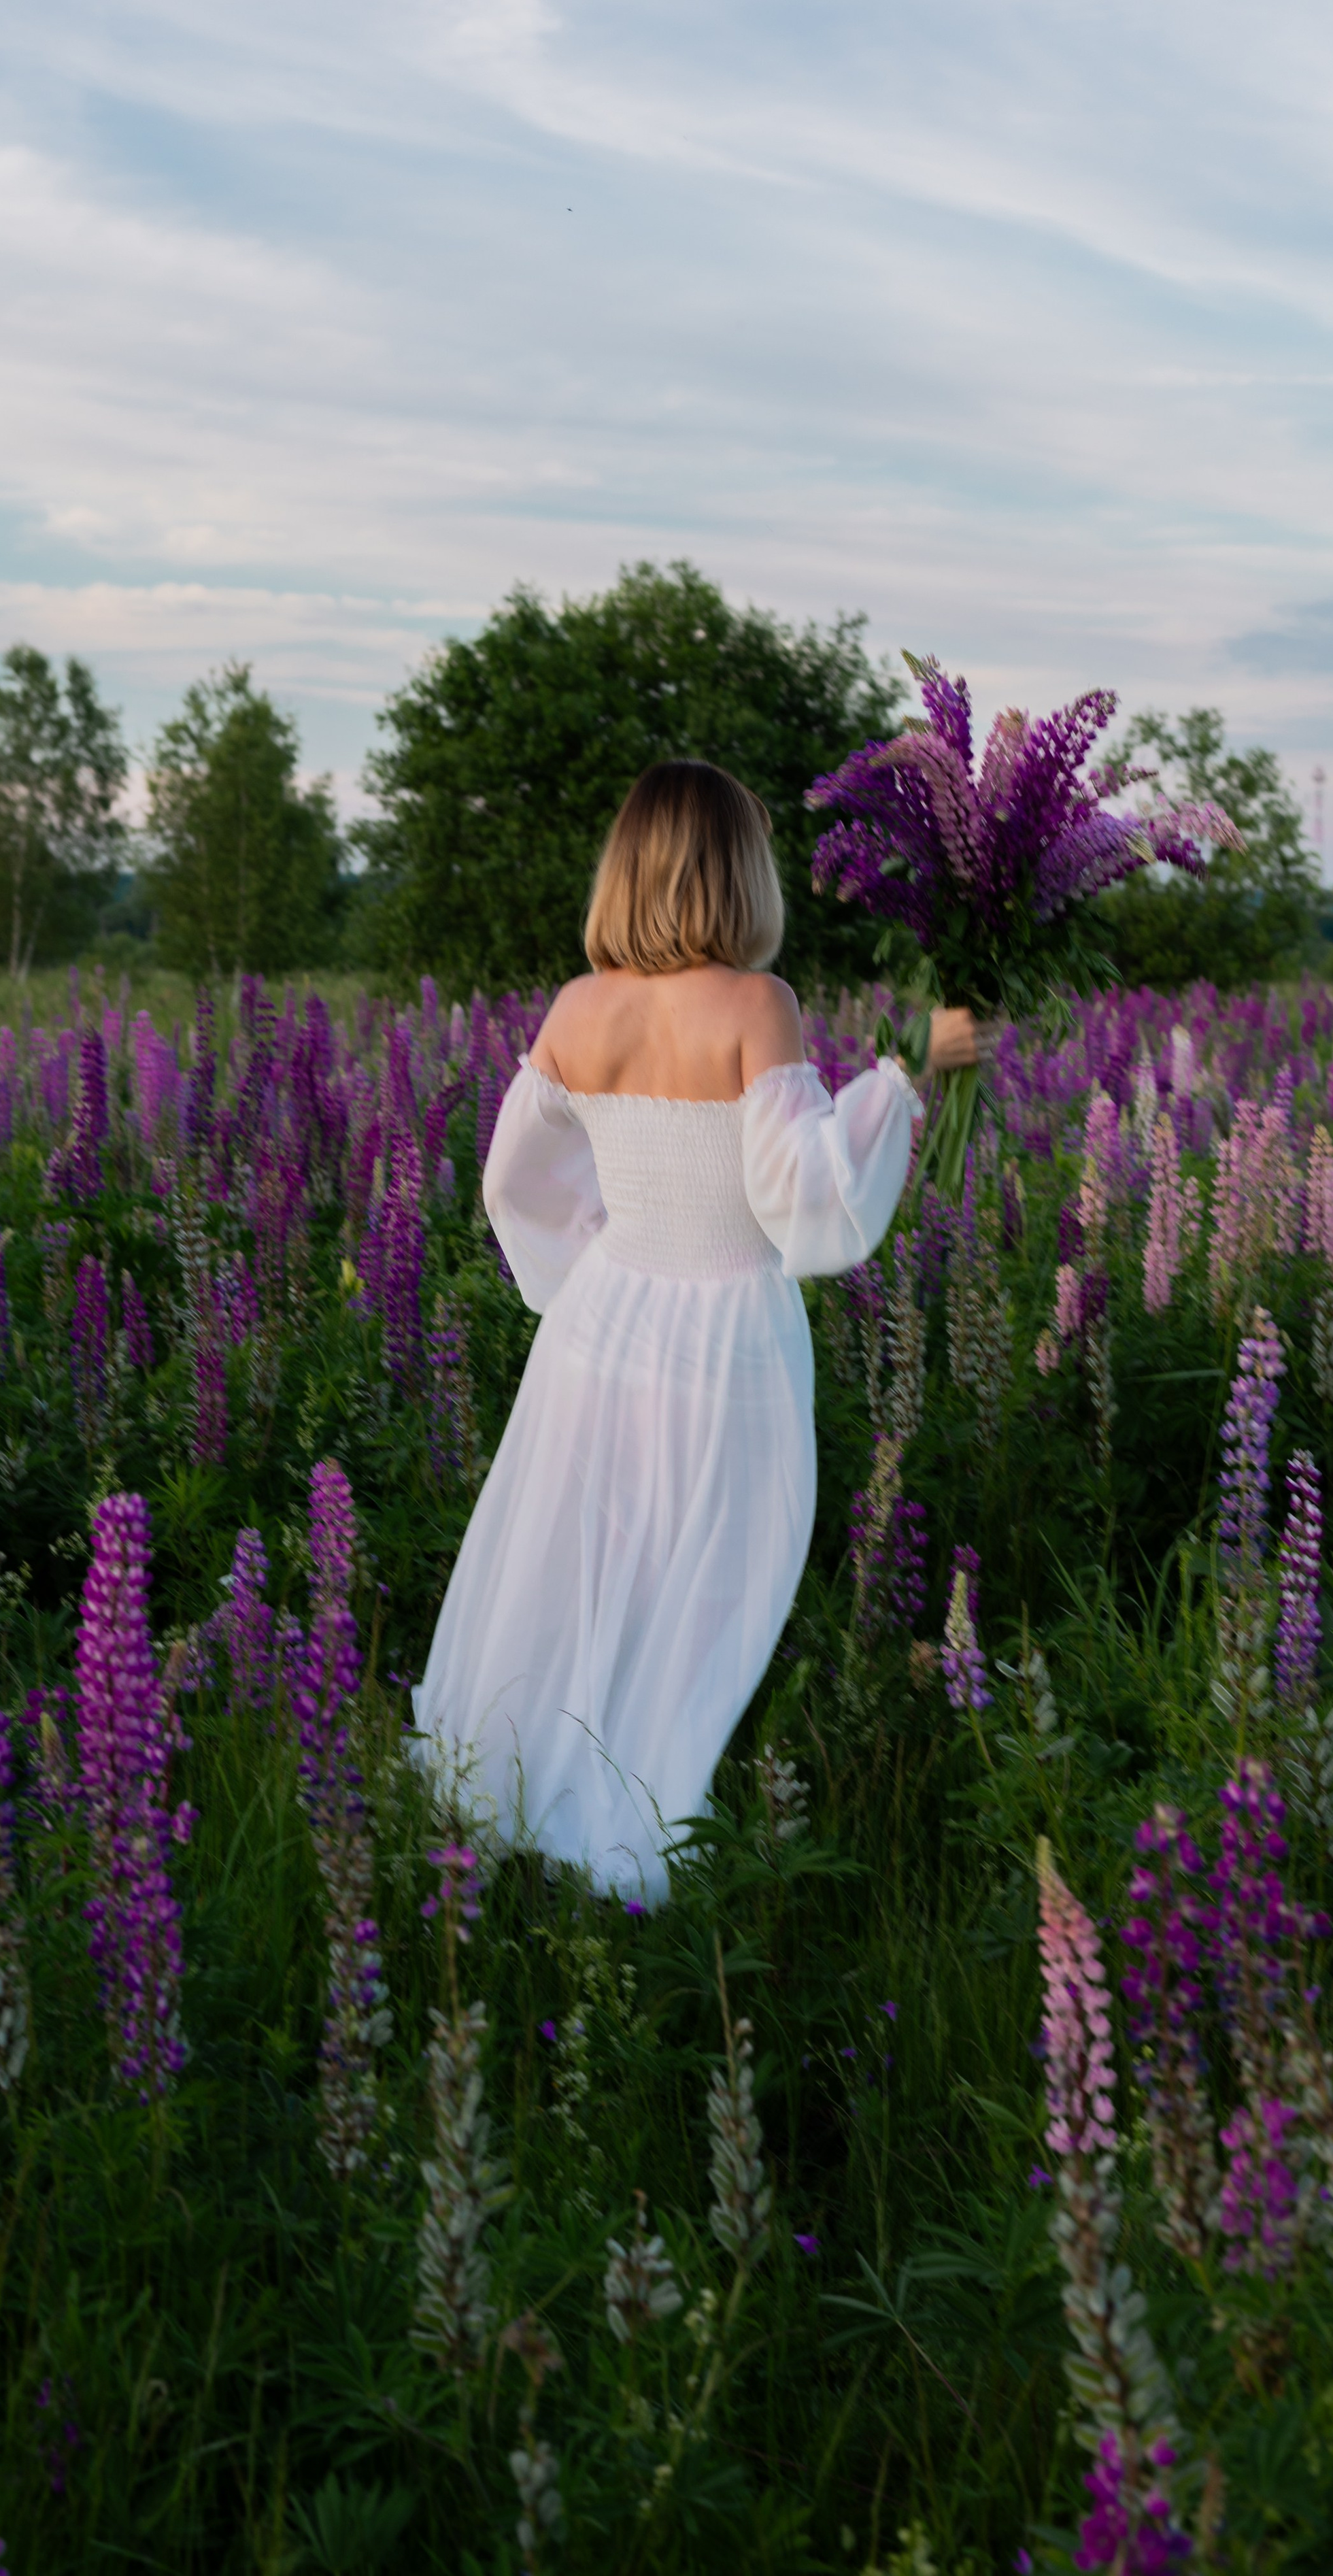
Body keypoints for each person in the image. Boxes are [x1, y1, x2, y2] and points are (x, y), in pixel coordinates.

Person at [411, 759, 976, 1901]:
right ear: (738, 871)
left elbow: (514, 1182)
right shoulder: (755, 1004)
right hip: (728, 1336)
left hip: (605, 1323)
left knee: (578, 1558)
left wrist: (579, 1276)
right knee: (708, 1576)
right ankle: (635, 1814)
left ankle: (516, 1782)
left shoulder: (580, 1007)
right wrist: (911, 1075)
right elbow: (801, 1192)